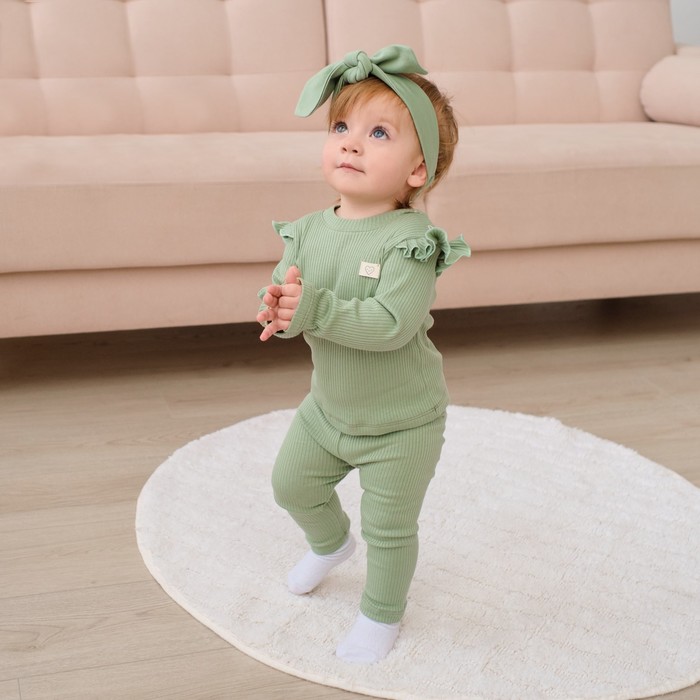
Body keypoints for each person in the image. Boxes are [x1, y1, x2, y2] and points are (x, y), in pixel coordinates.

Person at [256, 45, 470, 664]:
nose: (351, 143)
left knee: (390, 529)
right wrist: (277, 308)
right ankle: (330, 544)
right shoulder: (308, 230)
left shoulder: (411, 243)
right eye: (341, 127)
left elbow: (392, 326)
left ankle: (381, 615)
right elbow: (290, 293)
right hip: (327, 409)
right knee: (291, 484)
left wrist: (314, 309)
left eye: (379, 134)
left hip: (402, 423)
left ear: (417, 171)